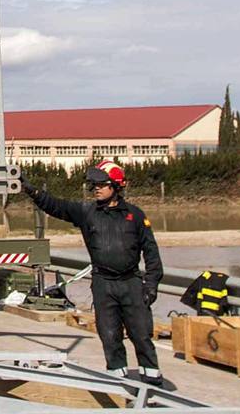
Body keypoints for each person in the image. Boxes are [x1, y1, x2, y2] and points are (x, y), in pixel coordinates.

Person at [21, 160, 170, 387]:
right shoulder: (87, 213)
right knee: (110, 337)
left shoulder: (135, 216)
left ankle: (153, 385)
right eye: (94, 185)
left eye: (101, 184)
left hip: (131, 283)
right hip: (103, 284)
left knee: (141, 336)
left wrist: (151, 285)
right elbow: (56, 206)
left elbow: (151, 253)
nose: (96, 189)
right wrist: (32, 191)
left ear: (116, 186)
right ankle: (119, 386)